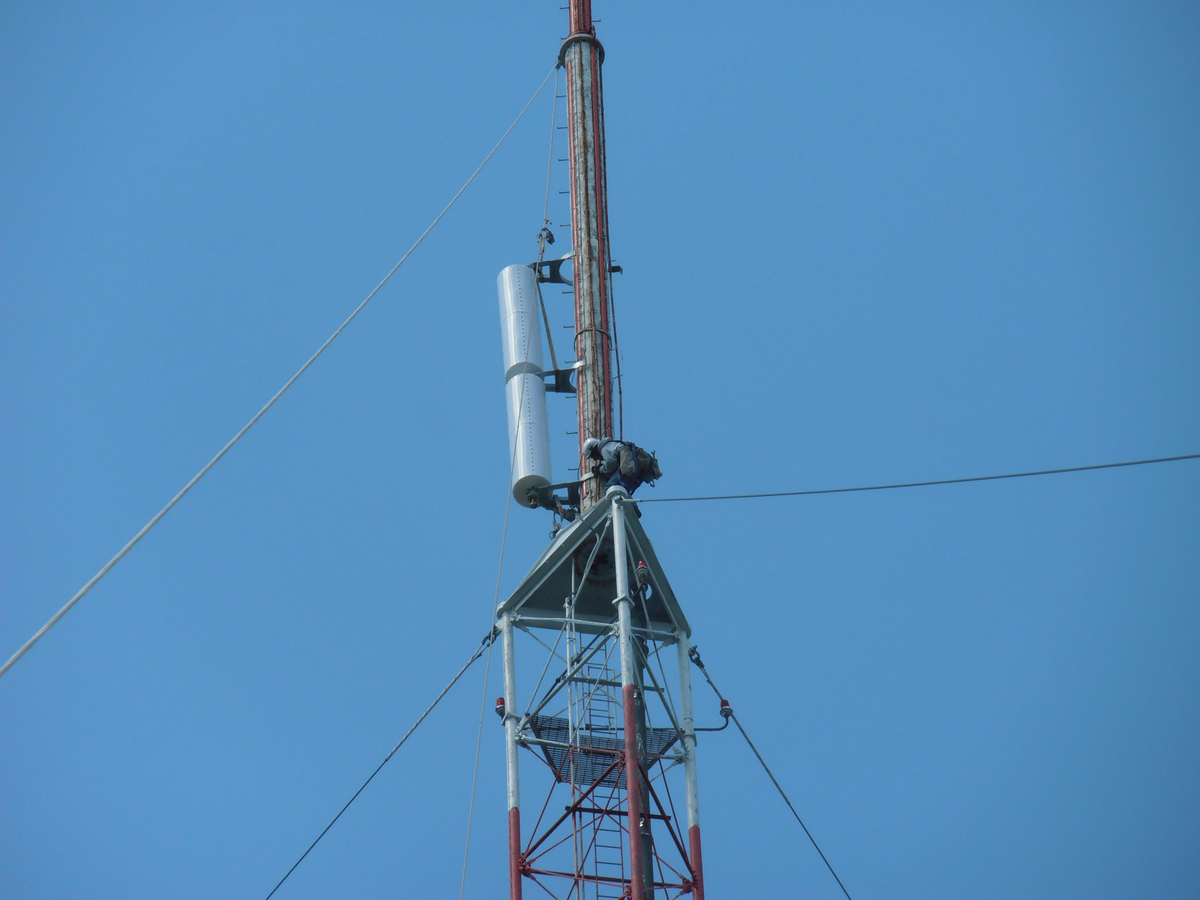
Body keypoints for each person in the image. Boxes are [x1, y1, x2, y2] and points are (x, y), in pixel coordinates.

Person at [583, 436, 662, 497]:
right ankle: (632, 507)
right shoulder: (611, 445)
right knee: (622, 488)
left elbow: (611, 463)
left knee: (611, 486)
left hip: (629, 467)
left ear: (594, 450)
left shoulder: (604, 449)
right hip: (634, 467)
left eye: (592, 456)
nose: (595, 459)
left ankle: (622, 507)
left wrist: (600, 469)